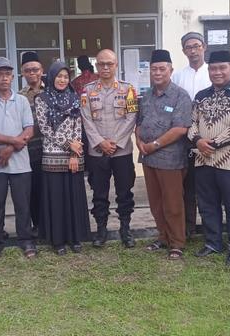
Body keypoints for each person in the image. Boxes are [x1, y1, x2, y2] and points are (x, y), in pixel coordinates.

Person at [189, 50, 230, 265]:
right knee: (207, 205)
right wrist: (198, 141)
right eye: (213, 68)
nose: (217, 72)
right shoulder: (201, 96)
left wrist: (211, 144)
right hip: (202, 160)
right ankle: (212, 243)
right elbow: (192, 124)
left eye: (222, 68)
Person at [0, 57, 38, 259]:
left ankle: (26, 240)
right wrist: (13, 141)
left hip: (20, 164)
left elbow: (29, 129)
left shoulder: (21, 101)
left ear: (12, 77)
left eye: (7, 74)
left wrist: (9, 149)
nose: (3, 78)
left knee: (23, 205)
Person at [136, 50, 192, 260]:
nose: (158, 73)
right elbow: (139, 123)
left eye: (162, 69)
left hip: (170, 159)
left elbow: (180, 129)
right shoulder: (147, 95)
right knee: (156, 202)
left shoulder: (180, 95)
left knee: (173, 203)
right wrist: (139, 141)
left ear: (170, 70)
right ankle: (163, 236)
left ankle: (177, 242)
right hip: (148, 158)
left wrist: (155, 145)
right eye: (154, 69)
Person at [81, 49, 138, 248]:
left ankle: (125, 229)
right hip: (97, 152)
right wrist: (101, 143)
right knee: (99, 192)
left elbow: (132, 118)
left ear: (116, 65)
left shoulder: (128, 89)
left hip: (121, 151)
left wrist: (114, 142)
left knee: (125, 192)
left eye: (109, 64)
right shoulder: (87, 90)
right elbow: (86, 120)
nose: (105, 67)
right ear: (96, 66)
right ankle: (101, 230)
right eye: (101, 64)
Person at [34, 61, 90, 255]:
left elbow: (78, 127)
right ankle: (58, 240)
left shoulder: (75, 97)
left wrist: (75, 152)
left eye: (66, 77)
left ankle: (75, 238)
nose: (62, 80)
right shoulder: (41, 99)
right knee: (56, 199)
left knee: (73, 197)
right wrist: (68, 144)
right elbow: (45, 128)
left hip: (74, 156)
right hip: (53, 156)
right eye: (59, 76)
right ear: (51, 77)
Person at [172, 32, 211, 237]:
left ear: (204, 46)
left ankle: (209, 229)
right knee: (187, 187)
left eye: (196, 46)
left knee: (207, 187)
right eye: (189, 47)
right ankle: (188, 228)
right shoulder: (178, 76)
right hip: (185, 140)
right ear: (184, 51)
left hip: (211, 139)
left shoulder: (212, 72)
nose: (193, 50)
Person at [19, 51, 45, 235]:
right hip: (29, 151)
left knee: (50, 189)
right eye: (28, 70)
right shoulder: (19, 96)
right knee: (33, 189)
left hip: (51, 150)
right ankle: (37, 225)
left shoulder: (52, 91)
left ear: (41, 70)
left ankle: (50, 223)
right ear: (22, 72)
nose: (32, 73)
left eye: (35, 69)